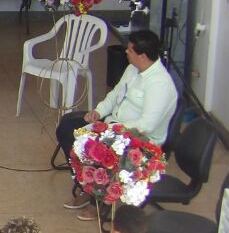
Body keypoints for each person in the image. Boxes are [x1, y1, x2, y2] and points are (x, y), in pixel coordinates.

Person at [57, 30, 178, 216]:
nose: (126, 52)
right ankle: (85, 184)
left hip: (139, 139)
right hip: (113, 125)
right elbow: (115, 95)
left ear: (143, 56)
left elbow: (146, 125)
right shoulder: (132, 69)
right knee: (66, 129)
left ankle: (98, 201)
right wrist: (99, 111)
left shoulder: (160, 84)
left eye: (130, 50)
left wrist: (111, 130)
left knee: (96, 147)